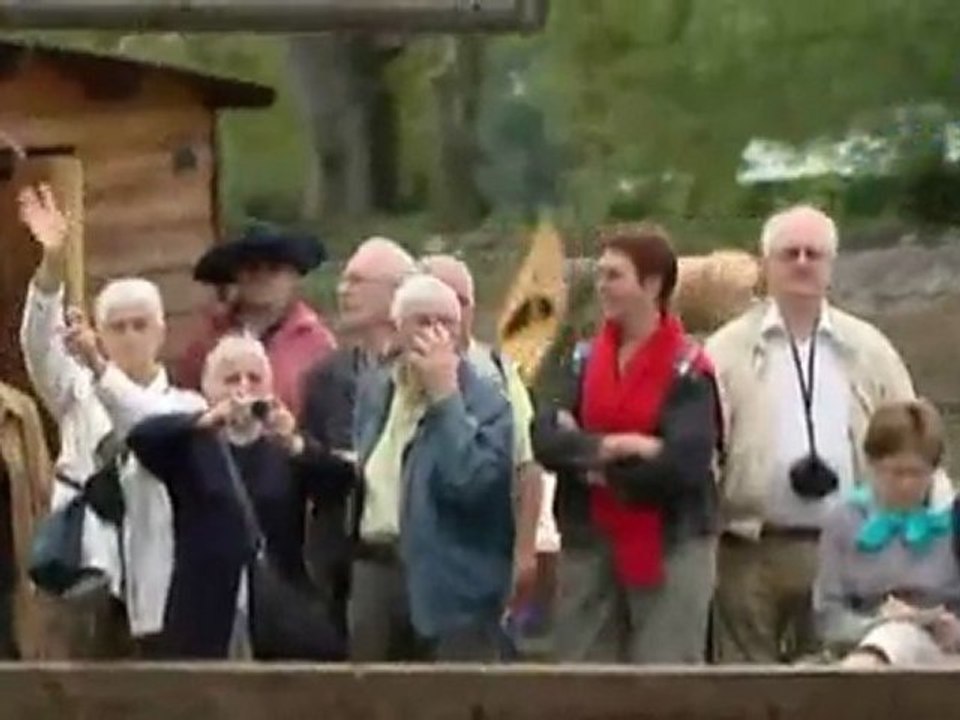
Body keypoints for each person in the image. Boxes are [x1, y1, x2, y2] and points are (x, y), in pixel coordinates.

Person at [707, 205, 918, 663]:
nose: (802, 263)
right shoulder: (725, 351)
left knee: (836, 684)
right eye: (789, 253)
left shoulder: (871, 349)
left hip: (847, 548)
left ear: (831, 265)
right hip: (749, 548)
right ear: (766, 265)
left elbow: (911, 443)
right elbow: (705, 448)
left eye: (814, 254)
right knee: (743, 683)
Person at [17, 185, 205, 657]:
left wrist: (100, 368)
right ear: (98, 333)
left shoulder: (187, 406)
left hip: (159, 582)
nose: (129, 335)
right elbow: (38, 343)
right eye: (117, 326)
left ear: (162, 331)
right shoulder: (77, 392)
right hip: (82, 573)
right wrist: (53, 265)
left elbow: (146, 424)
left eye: (140, 324)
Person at [533, 223, 720, 664]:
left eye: (614, 276)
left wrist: (584, 455)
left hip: (671, 542)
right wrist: (617, 447)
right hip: (588, 537)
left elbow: (682, 463)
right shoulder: (579, 360)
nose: (601, 287)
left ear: (652, 284)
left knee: (663, 678)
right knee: (582, 672)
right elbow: (545, 438)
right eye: (599, 275)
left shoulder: (689, 370)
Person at [126, 335, 347, 659]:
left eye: (254, 378)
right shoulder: (192, 446)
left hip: (277, 603)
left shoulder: (283, 447)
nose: (243, 388)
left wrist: (297, 445)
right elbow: (141, 438)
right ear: (208, 387)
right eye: (231, 379)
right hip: (205, 605)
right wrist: (204, 421)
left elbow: (340, 482)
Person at [350, 273, 515, 662]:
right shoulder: (378, 391)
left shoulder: (489, 404)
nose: (436, 335)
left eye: (447, 325)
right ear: (396, 329)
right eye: (423, 323)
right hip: (377, 570)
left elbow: (470, 481)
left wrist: (445, 397)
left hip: (452, 587)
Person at [418, 254, 550, 615]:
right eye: (439, 297)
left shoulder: (498, 375)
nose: (450, 313)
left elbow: (527, 465)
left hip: (476, 558)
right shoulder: (390, 379)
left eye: (461, 302)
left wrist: (524, 551)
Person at [299, 236, 417, 639]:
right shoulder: (324, 378)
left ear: (397, 292)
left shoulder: (427, 375)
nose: (342, 290)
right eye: (344, 280)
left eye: (357, 281)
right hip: (341, 557)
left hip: (412, 554)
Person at [814, 400, 960, 667]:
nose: (905, 484)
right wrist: (887, 622)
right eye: (894, 472)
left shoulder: (952, 517)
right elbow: (828, 620)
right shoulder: (844, 519)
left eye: (917, 473)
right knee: (894, 639)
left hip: (945, 653)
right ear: (871, 464)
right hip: (865, 643)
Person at [177, 222, 336, 417]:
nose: (262, 276)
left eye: (274, 269)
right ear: (236, 275)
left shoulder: (317, 343)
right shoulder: (206, 339)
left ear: (294, 276)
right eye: (252, 268)